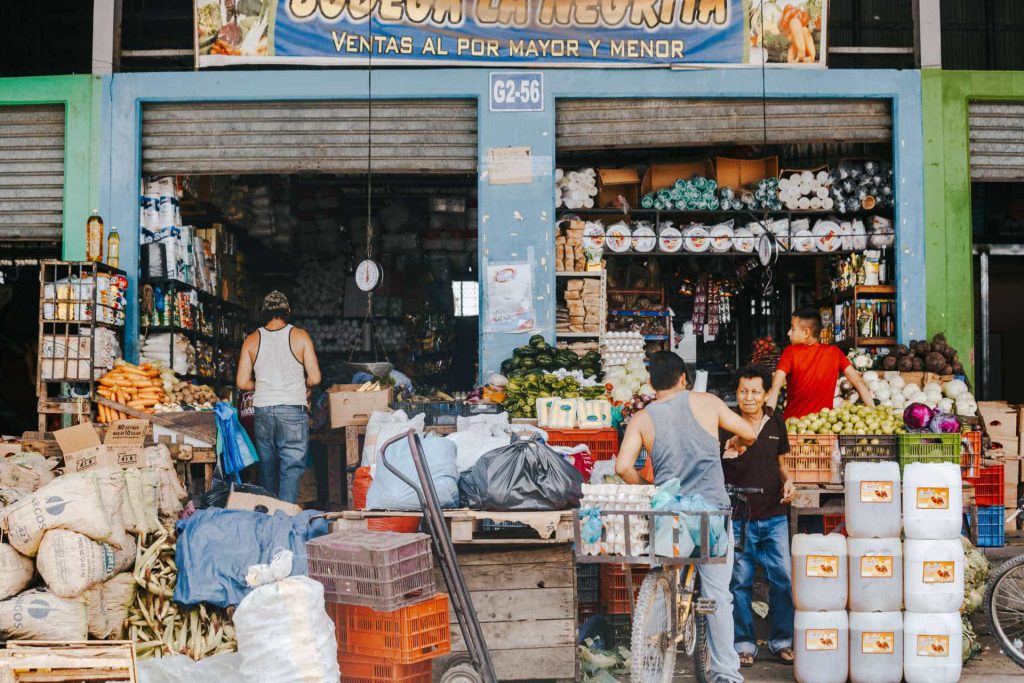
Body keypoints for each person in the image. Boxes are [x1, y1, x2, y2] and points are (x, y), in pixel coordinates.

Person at [615, 352, 757, 683]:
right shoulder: (707, 402)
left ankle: (658, 634)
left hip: (671, 517)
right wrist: (736, 440)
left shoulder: (642, 418)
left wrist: (650, 487)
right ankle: (726, 674)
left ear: (651, 383)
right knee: (718, 596)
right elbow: (749, 433)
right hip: (710, 516)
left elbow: (623, 467)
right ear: (683, 378)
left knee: (667, 569)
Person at [722, 365, 796, 668]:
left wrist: (789, 480)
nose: (748, 397)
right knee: (739, 582)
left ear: (766, 394)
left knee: (783, 580)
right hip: (740, 516)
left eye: (755, 391)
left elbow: (780, 463)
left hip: (774, 514)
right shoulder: (726, 422)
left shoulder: (776, 420)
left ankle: (781, 641)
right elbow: (719, 461)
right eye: (743, 391)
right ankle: (744, 643)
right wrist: (730, 448)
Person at [236, 291, 321, 503]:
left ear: (264, 313)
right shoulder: (301, 336)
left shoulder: (252, 340)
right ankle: (285, 519)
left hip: (263, 411)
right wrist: (303, 384)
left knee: (268, 468)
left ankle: (272, 518)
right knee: (291, 469)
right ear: (288, 311)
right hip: (292, 410)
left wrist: (263, 384)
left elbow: (242, 382)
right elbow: (315, 377)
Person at [766, 307, 874, 419]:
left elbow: (775, 387)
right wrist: (873, 414)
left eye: (792, 329)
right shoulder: (835, 352)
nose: (788, 333)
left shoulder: (790, 352)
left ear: (806, 332)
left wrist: (766, 419)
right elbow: (859, 383)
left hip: (793, 426)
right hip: (823, 427)